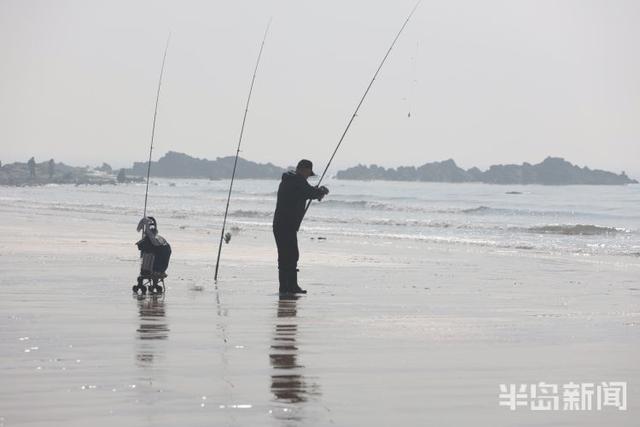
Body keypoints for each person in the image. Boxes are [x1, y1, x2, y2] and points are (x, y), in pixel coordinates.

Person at [273, 159, 329, 294]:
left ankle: (289, 286)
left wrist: (317, 192)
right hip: (286, 225)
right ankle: (288, 287)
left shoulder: (290, 180)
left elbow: (307, 191)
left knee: (288, 256)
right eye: (308, 173)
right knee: (290, 256)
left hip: (283, 225)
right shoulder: (296, 180)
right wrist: (320, 191)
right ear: (305, 169)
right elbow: (310, 192)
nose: (307, 176)